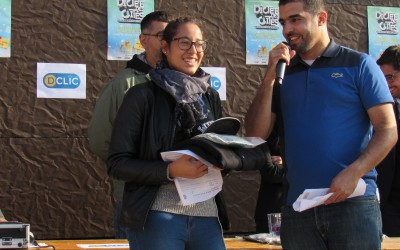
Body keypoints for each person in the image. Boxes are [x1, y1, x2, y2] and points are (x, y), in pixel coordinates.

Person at [245, 0, 397, 249]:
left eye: (296, 19)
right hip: (298, 207)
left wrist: (355, 171)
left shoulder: (359, 64)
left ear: (322, 19)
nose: (287, 30)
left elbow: (388, 129)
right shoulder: (283, 73)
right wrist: (269, 76)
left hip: (352, 203)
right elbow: (254, 134)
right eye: (283, 22)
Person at [107, 17, 227, 250]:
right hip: (157, 216)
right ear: (165, 46)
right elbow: (117, 164)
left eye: (199, 43)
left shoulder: (209, 96)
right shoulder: (141, 96)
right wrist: (170, 171)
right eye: (184, 43)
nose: (193, 50)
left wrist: (224, 159)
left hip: (207, 215)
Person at [87, 11, 169, 238]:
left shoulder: (186, 84)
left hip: (180, 200)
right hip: (136, 197)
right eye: (161, 35)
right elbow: (100, 140)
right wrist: (134, 168)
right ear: (143, 40)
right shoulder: (124, 84)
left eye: (171, 35)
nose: (166, 42)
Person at [376, 45, 400, 237]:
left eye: (391, 77)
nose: (386, 83)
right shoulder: (385, 109)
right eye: (382, 78)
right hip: (389, 208)